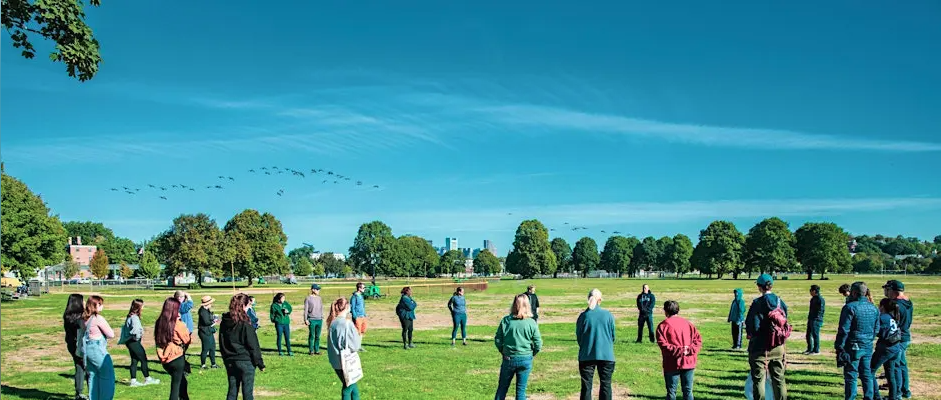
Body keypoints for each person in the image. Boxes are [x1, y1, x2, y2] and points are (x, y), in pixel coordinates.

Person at [745, 274, 788, 400]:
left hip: (760, 347)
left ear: (759, 287)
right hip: (778, 345)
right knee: (779, 379)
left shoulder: (758, 303)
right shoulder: (780, 302)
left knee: (759, 380)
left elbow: (752, 325)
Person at [494, 294, 543, 400]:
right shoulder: (531, 323)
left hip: (509, 358)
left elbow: (498, 339)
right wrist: (532, 353)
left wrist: (502, 350)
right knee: (521, 391)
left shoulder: (506, 321)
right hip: (525, 358)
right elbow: (538, 343)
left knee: (502, 388)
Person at [836, 282, 879, 400]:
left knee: (851, 374)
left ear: (854, 293)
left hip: (853, 344)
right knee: (866, 374)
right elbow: (876, 328)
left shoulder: (850, 307)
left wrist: (839, 346)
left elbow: (844, 330)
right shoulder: (874, 308)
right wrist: (869, 339)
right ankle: (869, 397)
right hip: (867, 345)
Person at [220, 293, 265, 400]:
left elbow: (222, 342)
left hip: (230, 360)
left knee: (232, 390)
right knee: (247, 393)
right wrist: (260, 363)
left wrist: (225, 357)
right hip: (244, 360)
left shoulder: (225, 323)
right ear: (244, 306)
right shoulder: (244, 324)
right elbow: (253, 345)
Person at [656, 300, 702, 400]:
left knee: (671, 392)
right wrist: (688, 350)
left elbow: (664, 345)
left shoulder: (663, 326)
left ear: (665, 311)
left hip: (671, 363)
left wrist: (680, 350)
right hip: (688, 361)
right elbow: (698, 341)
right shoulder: (688, 324)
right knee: (688, 391)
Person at [575, 289, 616, 400]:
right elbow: (613, 336)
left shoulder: (583, 316)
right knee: (606, 385)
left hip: (586, 354)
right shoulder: (608, 315)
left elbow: (579, 337)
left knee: (586, 386)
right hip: (606, 355)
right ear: (600, 300)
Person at [155, 297, 193, 400]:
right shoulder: (177, 324)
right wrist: (183, 324)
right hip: (176, 357)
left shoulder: (159, 322)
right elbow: (187, 340)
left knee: (182, 381)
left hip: (165, 357)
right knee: (175, 387)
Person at [327, 297, 363, 400]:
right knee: (348, 387)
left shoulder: (332, 322)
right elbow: (355, 346)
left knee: (353, 387)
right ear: (347, 306)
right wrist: (359, 336)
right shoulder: (347, 323)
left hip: (334, 360)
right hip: (346, 361)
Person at [82, 295, 116, 400]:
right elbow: (111, 334)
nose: (102, 307)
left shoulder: (84, 317)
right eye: (100, 304)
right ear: (94, 306)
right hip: (97, 348)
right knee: (107, 376)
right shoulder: (98, 318)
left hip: (87, 349)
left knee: (93, 376)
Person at [119, 299, 159, 387]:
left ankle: (133, 381)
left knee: (134, 360)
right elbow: (136, 330)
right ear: (138, 307)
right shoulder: (134, 318)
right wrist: (137, 338)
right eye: (142, 306)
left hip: (130, 342)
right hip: (134, 342)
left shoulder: (130, 316)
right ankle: (147, 379)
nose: (143, 307)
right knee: (143, 359)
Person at [883, 280, 912, 399]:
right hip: (905, 336)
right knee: (902, 364)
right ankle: (905, 390)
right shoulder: (908, 301)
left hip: (897, 338)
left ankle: (897, 393)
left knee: (894, 366)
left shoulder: (895, 304)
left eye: (887, 289)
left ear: (893, 291)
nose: (886, 292)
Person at [870, 298, 902, 400]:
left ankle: (876, 396)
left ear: (882, 307)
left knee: (870, 371)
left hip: (886, 348)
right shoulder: (892, 317)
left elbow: (877, 331)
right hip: (895, 347)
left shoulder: (882, 317)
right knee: (890, 373)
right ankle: (893, 397)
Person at [63, 293, 88, 400]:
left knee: (79, 367)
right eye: (83, 300)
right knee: (86, 368)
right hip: (80, 345)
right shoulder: (80, 318)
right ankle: (91, 391)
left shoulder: (67, 316)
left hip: (71, 344)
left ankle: (79, 392)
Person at [198, 296, 220, 369]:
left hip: (208, 331)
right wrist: (214, 321)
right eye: (210, 303)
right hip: (204, 332)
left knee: (212, 347)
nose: (211, 304)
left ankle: (213, 364)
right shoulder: (202, 311)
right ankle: (203, 365)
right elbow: (206, 322)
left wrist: (214, 318)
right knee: (206, 348)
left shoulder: (207, 310)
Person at [805, 285, 826, 356]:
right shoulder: (813, 299)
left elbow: (821, 311)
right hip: (811, 318)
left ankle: (816, 350)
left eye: (811, 290)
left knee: (815, 335)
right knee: (808, 334)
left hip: (816, 320)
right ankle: (809, 349)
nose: (810, 292)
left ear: (814, 291)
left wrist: (816, 319)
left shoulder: (820, 299)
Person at [304, 284, 324, 355]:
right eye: (317, 289)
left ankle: (317, 350)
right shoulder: (308, 298)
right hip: (312, 320)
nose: (319, 291)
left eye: (319, 289)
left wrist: (322, 317)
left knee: (317, 336)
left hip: (319, 319)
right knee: (312, 335)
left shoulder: (319, 298)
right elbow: (305, 310)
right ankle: (311, 350)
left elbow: (321, 308)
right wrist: (306, 319)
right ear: (313, 289)